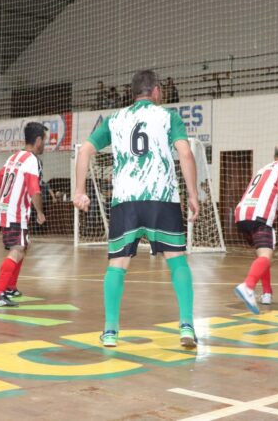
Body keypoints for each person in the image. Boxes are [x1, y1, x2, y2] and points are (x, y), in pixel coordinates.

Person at [74, 69, 199, 348]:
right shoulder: (168, 116)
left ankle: (110, 331)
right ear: (155, 91)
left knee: (117, 266)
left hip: (125, 201)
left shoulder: (115, 118)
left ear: (133, 93)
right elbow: (185, 153)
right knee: (177, 260)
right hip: (162, 198)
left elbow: (84, 151)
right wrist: (192, 194)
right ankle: (187, 327)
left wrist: (80, 191)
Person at [233, 143, 278, 313]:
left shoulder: (263, 168)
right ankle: (248, 286)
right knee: (266, 256)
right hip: (260, 215)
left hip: (241, 213)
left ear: (274, 155)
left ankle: (266, 293)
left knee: (263, 256)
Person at [0, 122, 48, 306]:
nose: (45, 144)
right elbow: (34, 190)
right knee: (17, 250)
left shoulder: (14, 157)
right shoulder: (31, 160)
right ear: (38, 140)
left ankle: (10, 287)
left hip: (8, 211)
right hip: (16, 213)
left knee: (23, 246)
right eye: (44, 140)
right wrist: (40, 211)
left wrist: (3, 196)